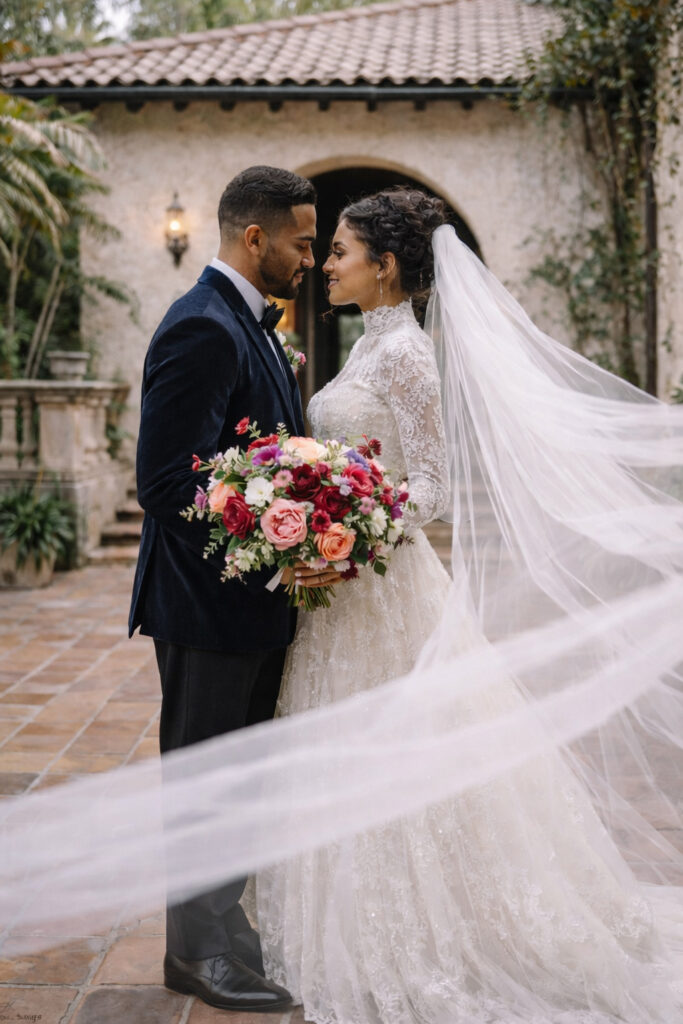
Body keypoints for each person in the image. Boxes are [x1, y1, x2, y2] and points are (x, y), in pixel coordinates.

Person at [254, 188, 683, 1023]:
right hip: (343, 593)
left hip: (381, 585)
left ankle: (427, 929)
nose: (326, 265)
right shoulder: (367, 349)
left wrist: (353, 533)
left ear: (384, 266)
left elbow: (437, 485)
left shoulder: (408, 355)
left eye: (339, 251)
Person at [128, 165, 340, 1014]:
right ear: (254, 238)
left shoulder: (248, 325)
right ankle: (196, 957)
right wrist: (269, 546)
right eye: (300, 240)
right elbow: (165, 481)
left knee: (238, 779)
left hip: (245, 607)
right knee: (205, 782)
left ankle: (227, 940)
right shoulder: (203, 328)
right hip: (206, 606)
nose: (309, 256)